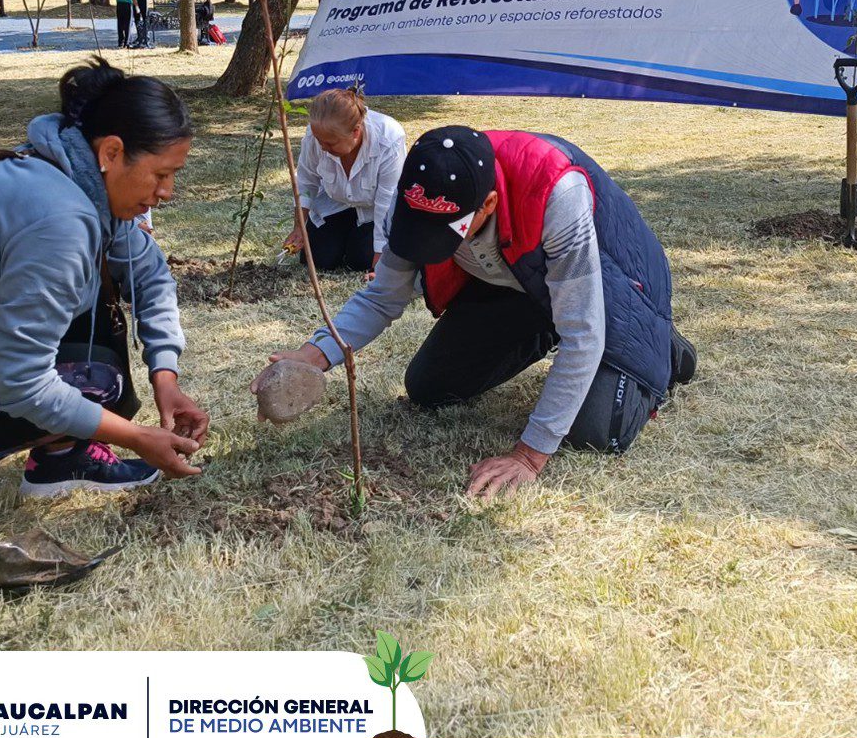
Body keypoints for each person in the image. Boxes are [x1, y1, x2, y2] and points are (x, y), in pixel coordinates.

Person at [0, 57, 208, 555]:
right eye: (160, 175)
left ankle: (63, 455)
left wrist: (166, 375)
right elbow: (19, 382)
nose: (166, 193)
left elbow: (148, 272)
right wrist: (136, 437)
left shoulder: (68, 172)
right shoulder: (61, 220)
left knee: (96, 334)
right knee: (98, 386)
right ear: (113, 151)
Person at [265, 127, 696, 498]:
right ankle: (544, 326)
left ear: (489, 204)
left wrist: (529, 456)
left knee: (598, 433)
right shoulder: (418, 192)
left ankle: (666, 349)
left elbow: (583, 332)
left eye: (446, 233)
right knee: (430, 388)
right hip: (520, 285)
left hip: (616, 281)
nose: (434, 244)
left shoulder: (556, 194)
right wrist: (315, 355)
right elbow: (383, 296)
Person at [283, 88, 406, 274]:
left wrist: (379, 263)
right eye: (319, 140)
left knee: (361, 260)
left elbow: (386, 203)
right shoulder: (316, 135)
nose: (323, 148)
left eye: (331, 143)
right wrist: (299, 226)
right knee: (319, 259)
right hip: (335, 203)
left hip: (372, 210)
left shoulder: (389, 139)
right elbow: (306, 181)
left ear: (356, 131)